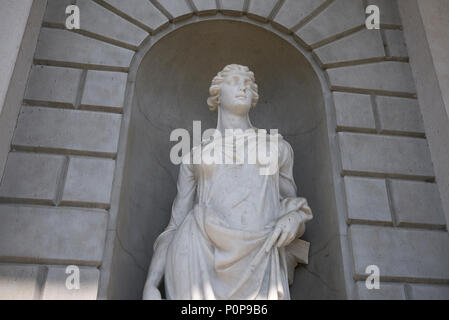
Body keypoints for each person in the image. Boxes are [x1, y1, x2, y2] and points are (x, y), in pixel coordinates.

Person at [143, 64, 313, 300]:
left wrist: (294, 219)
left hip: (260, 254)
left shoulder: (276, 147)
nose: (243, 87)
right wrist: (152, 283)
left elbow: (291, 204)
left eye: (248, 84)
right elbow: (174, 226)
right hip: (198, 255)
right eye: (233, 81)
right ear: (217, 94)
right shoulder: (195, 155)